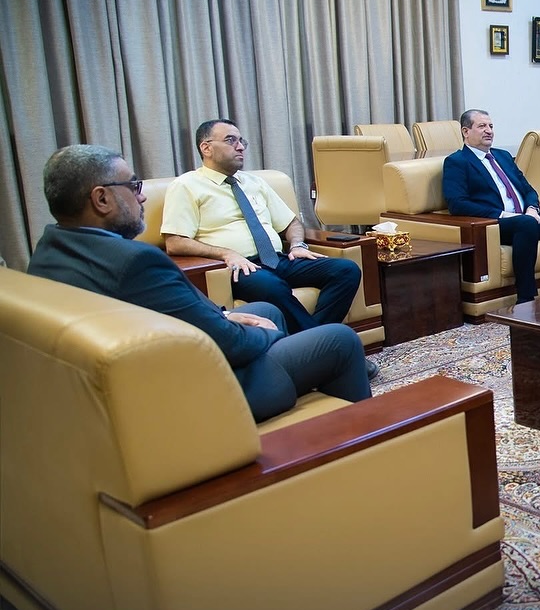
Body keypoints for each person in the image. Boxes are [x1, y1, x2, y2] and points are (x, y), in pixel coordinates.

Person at [27, 145, 371, 422]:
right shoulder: (134, 261)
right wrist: (267, 335)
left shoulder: (49, 250)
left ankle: (302, 376)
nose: (142, 197)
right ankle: (358, 439)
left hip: (152, 364)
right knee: (338, 340)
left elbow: (171, 313)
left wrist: (226, 315)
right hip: (199, 387)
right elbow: (229, 343)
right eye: (133, 186)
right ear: (101, 199)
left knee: (267, 310)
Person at [161, 119, 365, 340]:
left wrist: (297, 245)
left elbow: (291, 223)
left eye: (241, 141)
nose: (240, 147)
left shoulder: (254, 182)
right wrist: (227, 254)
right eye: (231, 140)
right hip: (239, 268)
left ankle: (311, 340)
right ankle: (323, 343)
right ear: (206, 148)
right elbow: (175, 242)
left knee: (346, 270)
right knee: (273, 288)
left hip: (278, 259)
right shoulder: (186, 186)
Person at [441, 109, 540, 303]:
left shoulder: (502, 156)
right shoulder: (457, 162)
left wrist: (532, 208)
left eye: (491, 126)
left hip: (525, 219)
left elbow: (528, 190)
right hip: (495, 224)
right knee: (525, 224)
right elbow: (457, 204)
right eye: (482, 126)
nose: (489, 131)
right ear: (465, 131)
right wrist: (503, 215)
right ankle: (526, 299)